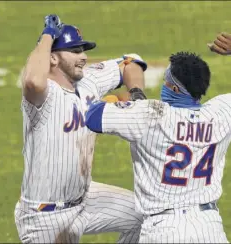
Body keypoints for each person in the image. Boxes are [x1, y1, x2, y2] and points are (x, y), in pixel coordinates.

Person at [85, 32, 231, 243]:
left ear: (174, 88)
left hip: (164, 231)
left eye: (166, 80)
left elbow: (92, 116)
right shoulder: (223, 113)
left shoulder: (149, 115)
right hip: (209, 227)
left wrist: (123, 98)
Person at [14, 14, 148, 243]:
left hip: (86, 200)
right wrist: (47, 36)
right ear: (53, 59)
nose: (84, 57)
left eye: (83, 50)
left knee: (144, 216)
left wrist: (137, 95)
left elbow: (131, 62)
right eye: (75, 51)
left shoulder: (89, 81)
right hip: (45, 217)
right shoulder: (43, 97)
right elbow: (32, 81)